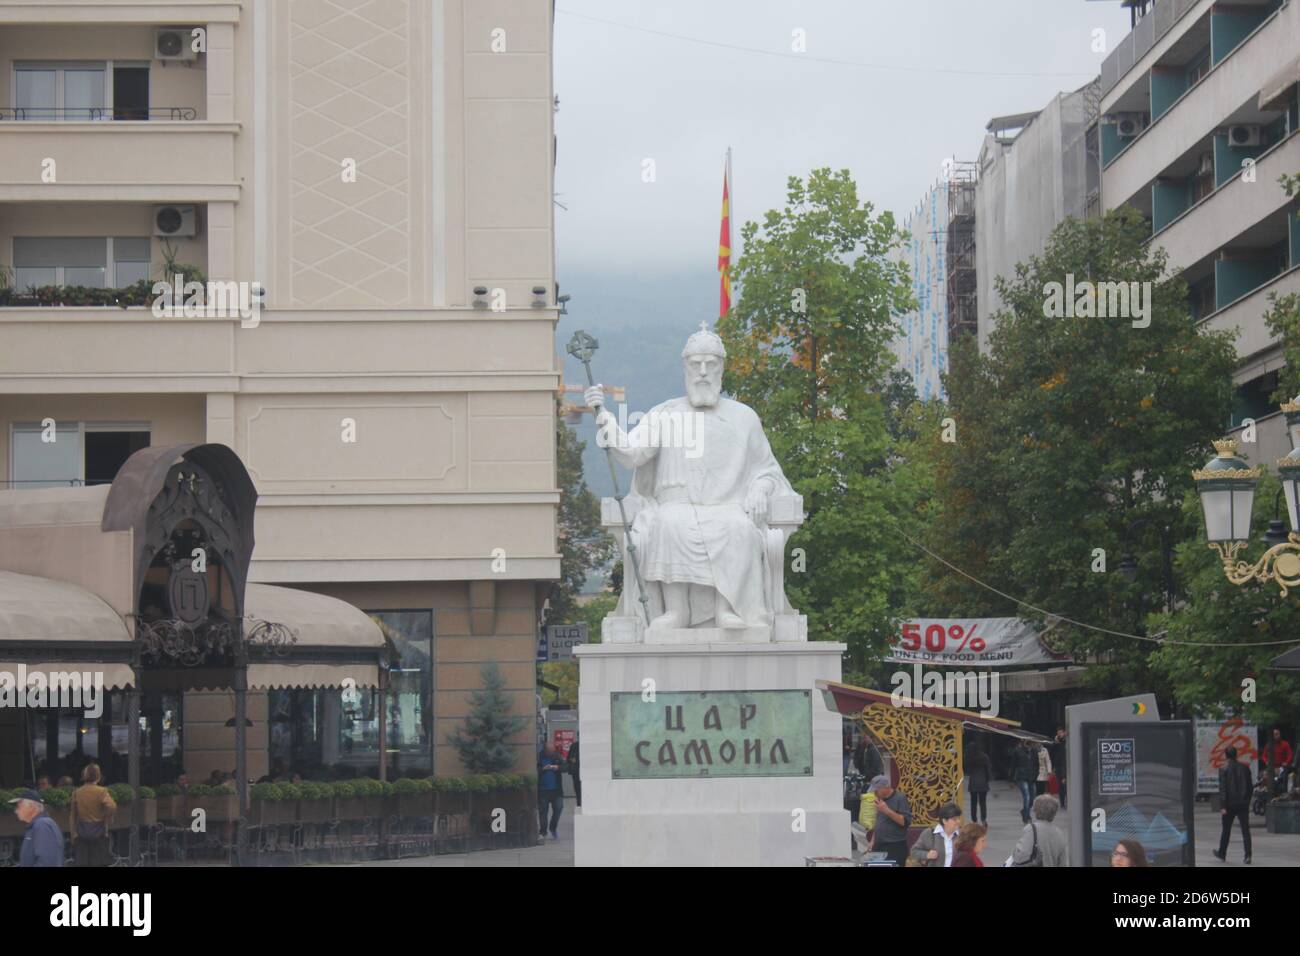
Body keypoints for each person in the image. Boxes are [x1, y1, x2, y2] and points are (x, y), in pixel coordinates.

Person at [68, 762, 116, 867]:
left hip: (81, 834)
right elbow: (112, 806)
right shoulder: (102, 791)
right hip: (99, 832)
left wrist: (73, 834)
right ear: (98, 776)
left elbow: (73, 815)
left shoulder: (77, 792)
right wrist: (106, 816)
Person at [1213, 744, 1252, 864]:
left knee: (1226, 830)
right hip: (1243, 803)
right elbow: (1250, 787)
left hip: (1229, 804)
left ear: (1226, 755)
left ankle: (1222, 853)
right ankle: (1248, 855)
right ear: (1236, 754)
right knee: (1245, 830)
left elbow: (1223, 789)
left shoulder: (1223, 769)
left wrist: (1223, 806)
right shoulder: (1245, 768)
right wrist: (1247, 800)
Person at [9, 789, 64, 867]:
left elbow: (47, 862)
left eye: (18, 806)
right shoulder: (38, 825)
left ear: (31, 807)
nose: (16, 811)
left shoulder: (42, 825)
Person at [865, 775, 912, 866]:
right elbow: (879, 821)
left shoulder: (900, 798)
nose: (874, 793)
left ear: (885, 787)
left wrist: (886, 810)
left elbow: (905, 822)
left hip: (895, 846)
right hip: (879, 845)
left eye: (876, 790)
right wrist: (872, 841)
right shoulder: (880, 799)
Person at [1012, 794, 1068, 867]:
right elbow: (1062, 863)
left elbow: (1020, 856)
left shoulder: (1031, 829)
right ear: (1054, 813)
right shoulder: (1059, 833)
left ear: (1036, 810)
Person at [909, 801, 962, 867]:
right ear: (944, 821)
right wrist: (927, 855)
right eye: (954, 819)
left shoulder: (962, 835)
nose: (958, 821)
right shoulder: (929, 834)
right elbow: (914, 852)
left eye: (959, 818)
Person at [537, 743, 565, 840]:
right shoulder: (538, 757)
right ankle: (543, 831)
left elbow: (566, 767)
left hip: (556, 790)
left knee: (559, 808)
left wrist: (558, 767)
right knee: (543, 812)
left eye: (552, 751)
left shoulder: (557, 756)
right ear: (545, 750)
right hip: (543, 790)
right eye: (549, 752)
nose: (551, 753)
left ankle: (553, 827)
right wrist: (543, 769)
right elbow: (534, 770)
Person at [1012, 740, 1038, 824]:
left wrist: (1036, 775)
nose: (1028, 744)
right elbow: (1013, 765)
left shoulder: (1034, 751)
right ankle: (1026, 817)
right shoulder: (1018, 751)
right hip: (1021, 777)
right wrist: (1012, 779)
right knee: (1026, 796)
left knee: (1032, 797)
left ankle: (1024, 811)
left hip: (1032, 777)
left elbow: (1037, 764)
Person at [965, 741, 991, 824]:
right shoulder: (984, 757)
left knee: (973, 803)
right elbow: (988, 770)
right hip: (983, 782)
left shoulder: (970, 757)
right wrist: (987, 779)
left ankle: (974, 820)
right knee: (982, 803)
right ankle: (983, 819)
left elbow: (967, 770)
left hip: (973, 782)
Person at [1262, 728, 1293, 796]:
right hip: (1272, 767)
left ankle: (1283, 792)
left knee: (1283, 777)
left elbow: (1290, 755)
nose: (1277, 736)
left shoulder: (1285, 744)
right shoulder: (1269, 745)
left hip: (1282, 767)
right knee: (1263, 775)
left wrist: (1286, 762)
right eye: (1275, 734)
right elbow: (1264, 756)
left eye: (1278, 734)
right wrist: (1266, 762)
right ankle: (1266, 791)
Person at [1051, 727, 1068, 809]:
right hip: (1058, 766)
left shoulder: (1067, 742)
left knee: (1067, 785)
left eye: (1061, 732)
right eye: (1058, 733)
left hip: (1067, 766)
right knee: (1061, 785)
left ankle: (1068, 801)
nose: (1060, 734)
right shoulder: (1056, 744)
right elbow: (1052, 753)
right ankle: (1062, 803)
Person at [565, 738, 581, 808]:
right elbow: (569, 759)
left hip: (581, 772)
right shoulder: (574, 746)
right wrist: (572, 760)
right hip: (577, 773)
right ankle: (579, 805)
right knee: (579, 793)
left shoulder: (575, 745)